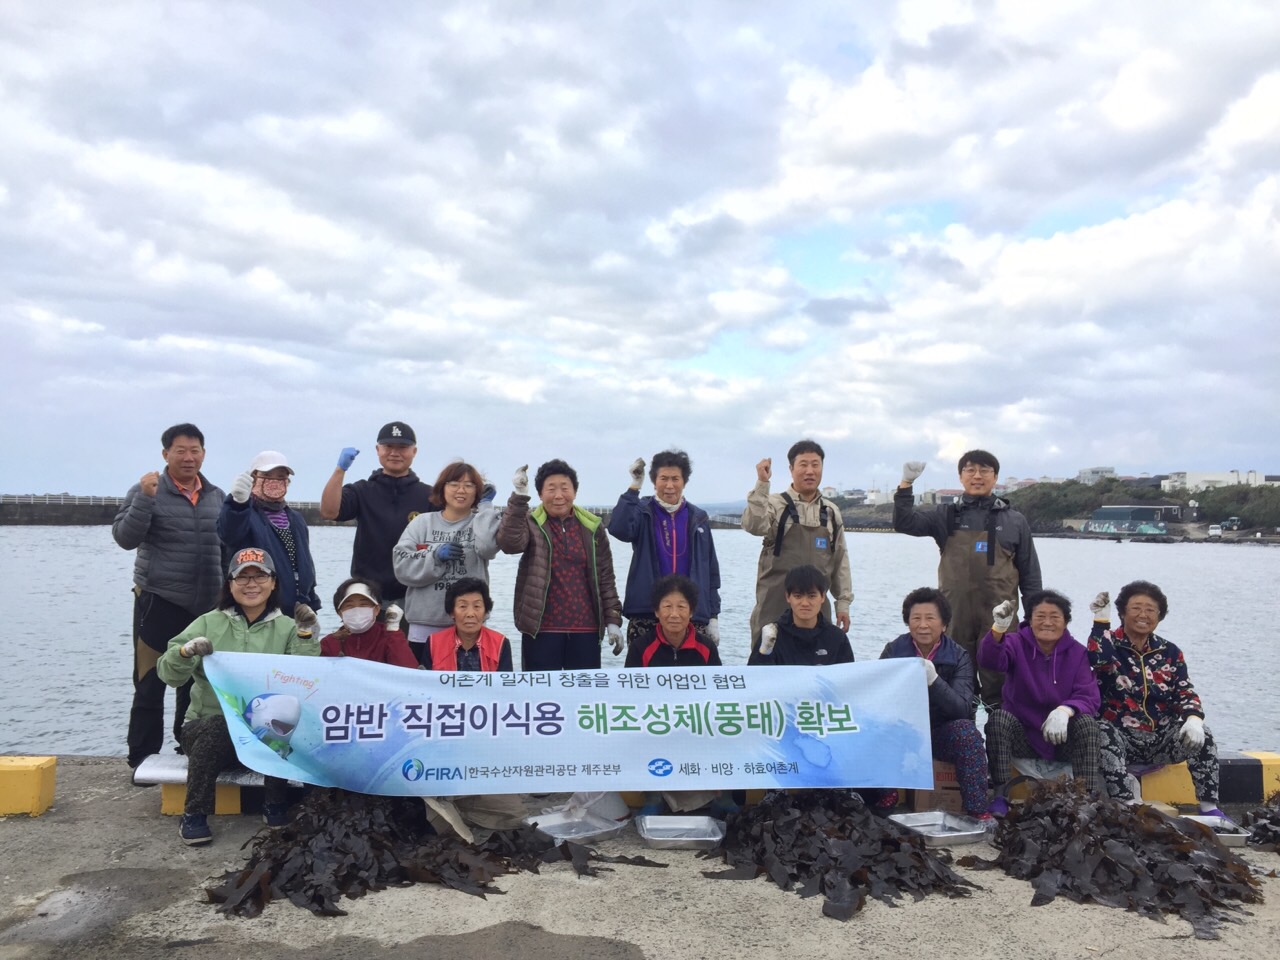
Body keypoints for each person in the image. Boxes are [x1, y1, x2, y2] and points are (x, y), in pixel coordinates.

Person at [157, 547, 320, 845]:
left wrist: (307, 634)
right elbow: (169, 675)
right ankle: (194, 814)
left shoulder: (286, 627)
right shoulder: (207, 623)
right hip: (206, 731)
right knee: (218, 726)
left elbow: (305, 679)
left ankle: (275, 803)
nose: (251, 584)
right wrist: (184, 652)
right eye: (242, 578)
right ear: (229, 584)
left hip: (262, 737)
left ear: (273, 583)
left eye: (260, 575)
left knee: (279, 722)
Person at [112, 423, 225, 773]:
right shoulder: (146, 489)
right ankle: (141, 757)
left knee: (193, 685)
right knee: (149, 682)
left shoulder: (216, 496)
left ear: (204, 454)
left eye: (195, 451)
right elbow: (125, 538)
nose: (189, 457)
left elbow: (227, 545)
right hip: (158, 601)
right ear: (166, 454)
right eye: (181, 451)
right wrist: (145, 499)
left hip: (204, 607)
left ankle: (187, 749)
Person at [893, 450, 1042, 709]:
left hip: (1000, 621)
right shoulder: (946, 515)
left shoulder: (1014, 520)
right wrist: (906, 485)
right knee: (957, 689)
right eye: (970, 470)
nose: (977, 476)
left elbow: (1030, 575)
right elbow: (904, 522)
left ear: (995, 477)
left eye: (984, 471)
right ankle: (964, 745)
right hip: (955, 618)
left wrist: (1034, 619)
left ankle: (1002, 744)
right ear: (961, 476)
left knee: (1004, 691)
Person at [1086, 582, 1225, 816]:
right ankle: (1126, 804)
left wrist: (1193, 719)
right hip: (1120, 738)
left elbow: (1185, 691)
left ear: (1160, 616)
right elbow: (1097, 659)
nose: (1143, 615)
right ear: (1122, 612)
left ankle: (1209, 808)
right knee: (1100, 730)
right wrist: (1101, 621)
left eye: (1151, 610)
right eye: (1136, 608)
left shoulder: (1170, 651)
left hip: (1160, 738)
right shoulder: (1109, 643)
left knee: (1204, 734)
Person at [497, 460, 623, 670]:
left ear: (574, 491)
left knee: (583, 697)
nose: (558, 495)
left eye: (565, 488)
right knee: (540, 695)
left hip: (586, 629)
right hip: (541, 629)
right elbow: (509, 544)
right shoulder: (530, 522)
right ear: (539, 494)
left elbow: (606, 578)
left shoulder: (592, 527)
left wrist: (613, 620)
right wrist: (519, 495)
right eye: (551, 489)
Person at [979, 590, 1101, 804]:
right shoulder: (1015, 643)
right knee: (998, 718)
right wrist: (998, 629)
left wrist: (1065, 710)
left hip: (1061, 738)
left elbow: (1089, 696)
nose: (1047, 622)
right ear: (1030, 620)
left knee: (1088, 725)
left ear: (1065, 622)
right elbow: (989, 660)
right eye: (1040, 616)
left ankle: (1086, 797)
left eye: (1054, 617)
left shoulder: (1077, 652)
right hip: (1024, 736)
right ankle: (1000, 793)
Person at [879, 588, 990, 820]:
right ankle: (884, 798)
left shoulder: (959, 656)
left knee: (967, 733)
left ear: (944, 624)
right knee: (875, 728)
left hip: (941, 732)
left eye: (930, 618)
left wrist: (934, 680)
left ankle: (977, 809)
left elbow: (962, 708)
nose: (922, 625)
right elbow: (879, 698)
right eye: (916, 618)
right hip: (904, 732)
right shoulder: (893, 651)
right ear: (907, 623)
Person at [318, 421, 437, 614]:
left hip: (415, 595)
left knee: (411, 646)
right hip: (368, 596)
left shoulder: (430, 495)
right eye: (388, 446)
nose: (395, 453)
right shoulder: (362, 490)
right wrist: (341, 469)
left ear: (414, 451)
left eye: (403, 447)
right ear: (377, 449)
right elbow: (329, 512)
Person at [742, 440, 852, 645]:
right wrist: (762, 484)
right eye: (803, 464)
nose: (810, 471)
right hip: (772, 608)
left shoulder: (830, 512)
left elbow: (840, 561)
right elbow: (754, 526)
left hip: (817, 610)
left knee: (819, 670)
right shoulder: (775, 503)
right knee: (768, 668)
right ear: (791, 469)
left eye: (815, 464)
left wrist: (843, 604)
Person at [608, 451, 722, 651]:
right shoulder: (642, 511)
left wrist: (713, 616)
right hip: (647, 614)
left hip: (691, 617)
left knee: (692, 680)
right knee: (643, 679)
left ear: (684, 482)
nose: (669, 485)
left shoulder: (699, 518)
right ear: (653, 481)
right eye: (664, 479)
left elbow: (710, 570)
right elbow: (618, 528)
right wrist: (634, 486)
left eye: (675, 479)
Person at [392, 461, 501, 666]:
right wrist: (434, 555)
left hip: (469, 628)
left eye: (469, 485)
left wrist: (486, 507)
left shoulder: (480, 522)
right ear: (442, 488)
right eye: (454, 484)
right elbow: (401, 566)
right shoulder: (421, 523)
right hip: (425, 625)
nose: (461, 490)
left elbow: (487, 547)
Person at [218, 451, 321, 619]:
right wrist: (237, 503)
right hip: (254, 610)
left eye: (281, 476)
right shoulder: (243, 513)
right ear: (253, 478)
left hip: (296, 610)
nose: (274, 481)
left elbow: (305, 564)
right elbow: (229, 534)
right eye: (267, 475)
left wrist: (312, 604)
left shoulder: (296, 519)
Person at [748, 565, 854, 666]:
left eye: (812, 596)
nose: (805, 603)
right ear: (788, 597)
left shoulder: (836, 638)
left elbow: (849, 679)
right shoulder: (771, 636)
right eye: (798, 596)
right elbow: (756, 679)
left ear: (822, 597)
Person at [626, 575, 723, 668]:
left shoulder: (707, 648)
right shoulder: (639, 648)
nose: (674, 614)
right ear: (656, 611)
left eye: (681, 607)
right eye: (667, 606)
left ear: (691, 612)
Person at [320, 578, 419, 668]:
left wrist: (393, 630)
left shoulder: (389, 638)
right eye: (349, 606)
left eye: (364, 605)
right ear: (340, 613)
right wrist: (306, 635)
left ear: (376, 609)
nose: (357, 610)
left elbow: (409, 672)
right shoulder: (329, 643)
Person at [426, 578, 514, 672]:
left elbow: (505, 684)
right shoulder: (433, 643)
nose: (470, 614)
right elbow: (426, 683)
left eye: (477, 606)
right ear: (452, 612)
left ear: (485, 611)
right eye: (463, 606)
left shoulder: (500, 643)